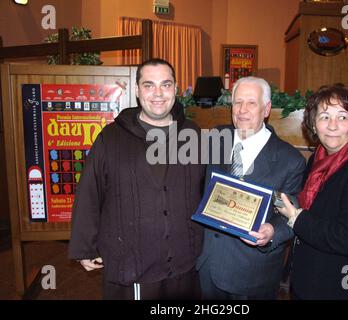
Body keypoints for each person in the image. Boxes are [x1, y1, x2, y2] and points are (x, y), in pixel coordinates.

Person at [68, 58, 205, 300]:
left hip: (183, 260)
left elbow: (206, 187)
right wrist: (84, 246)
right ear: (137, 91)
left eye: (166, 84)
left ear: (175, 88)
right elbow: (90, 191)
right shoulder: (110, 138)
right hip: (134, 264)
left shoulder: (192, 133)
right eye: (149, 85)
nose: (158, 94)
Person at [277, 84, 348, 300]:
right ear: (313, 124)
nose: (332, 126)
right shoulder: (318, 158)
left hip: (346, 285)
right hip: (312, 279)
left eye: (342, 117)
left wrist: (296, 218)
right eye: (324, 117)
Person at [196, 76, 306, 299]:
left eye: (251, 103)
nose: (242, 110)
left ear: (266, 109)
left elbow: (289, 214)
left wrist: (273, 232)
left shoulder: (289, 160)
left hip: (252, 275)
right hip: (206, 267)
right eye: (237, 102)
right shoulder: (214, 139)